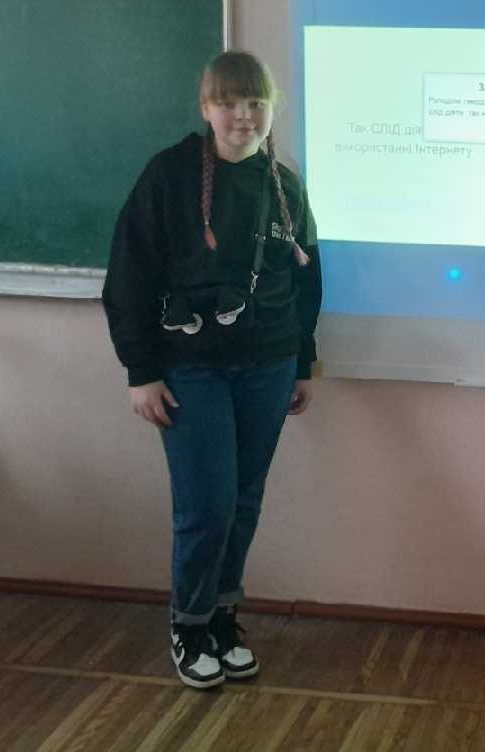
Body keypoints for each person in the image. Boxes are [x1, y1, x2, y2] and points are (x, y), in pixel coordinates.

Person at [102, 50, 322, 690]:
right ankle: (190, 623)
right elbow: (129, 274)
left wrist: (302, 361)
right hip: (191, 370)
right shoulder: (168, 175)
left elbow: (306, 280)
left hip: (269, 366)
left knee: (244, 500)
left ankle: (224, 616)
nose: (243, 115)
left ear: (272, 108)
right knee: (207, 503)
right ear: (206, 108)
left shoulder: (284, 185)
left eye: (256, 102)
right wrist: (140, 371)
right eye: (229, 103)